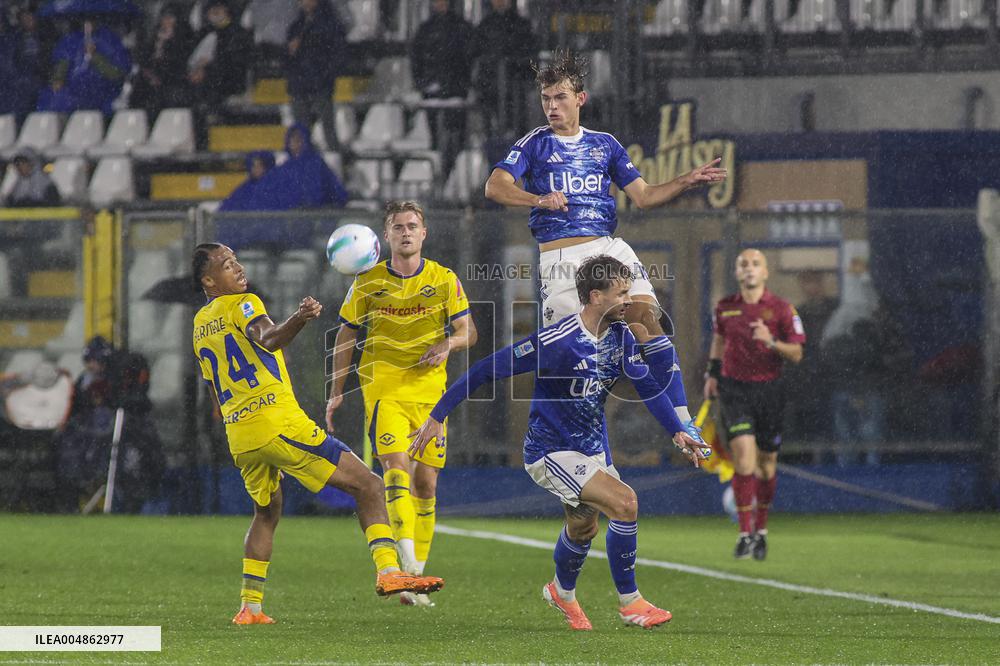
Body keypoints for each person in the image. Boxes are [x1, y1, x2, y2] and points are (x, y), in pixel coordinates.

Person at [410, 255, 707, 630]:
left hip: (592, 448)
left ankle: (561, 592)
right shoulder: (556, 341)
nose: (629, 300)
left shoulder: (622, 337)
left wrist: (677, 430)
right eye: (621, 293)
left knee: (584, 527)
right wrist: (437, 415)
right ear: (596, 296)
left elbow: (647, 385)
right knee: (625, 502)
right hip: (550, 451)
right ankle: (631, 603)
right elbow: (485, 370)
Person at [191, 243, 444, 625]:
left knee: (266, 512)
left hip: (240, 434)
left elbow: (213, 387)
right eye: (227, 265)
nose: (238, 268)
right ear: (209, 281)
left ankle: (250, 608)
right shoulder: (244, 303)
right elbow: (269, 338)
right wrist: (300, 317)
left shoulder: (199, 325)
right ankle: (389, 571)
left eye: (236, 260)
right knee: (370, 486)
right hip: (277, 422)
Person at [484, 49, 727, 442]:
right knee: (576, 360)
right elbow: (495, 187)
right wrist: (538, 199)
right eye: (546, 99)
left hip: (609, 249)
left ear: (580, 99)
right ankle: (568, 447)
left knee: (647, 321)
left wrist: (686, 180)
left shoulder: (605, 145)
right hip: (562, 259)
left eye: (560, 97)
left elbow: (643, 196)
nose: (552, 106)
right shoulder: (534, 144)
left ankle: (684, 422)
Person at [326, 201, 477, 607]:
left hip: (430, 394)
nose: (406, 232)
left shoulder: (443, 278)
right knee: (396, 467)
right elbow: (346, 335)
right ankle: (407, 565)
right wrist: (336, 390)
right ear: (386, 236)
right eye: (398, 227)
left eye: (412, 226)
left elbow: (469, 332)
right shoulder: (367, 281)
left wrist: (449, 343)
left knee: (426, 483)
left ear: (424, 233)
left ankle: (415, 576)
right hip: (384, 388)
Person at [702, 249, 805, 560]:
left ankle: (761, 531)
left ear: (765, 272)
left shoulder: (782, 309)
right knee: (744, 459)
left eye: (755, 264)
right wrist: (712, 374)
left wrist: (770, 341)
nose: (749, 268)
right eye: (743, 264)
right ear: (737, 272)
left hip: (770, 391)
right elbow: (719, 340)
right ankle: (744, 534)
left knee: (766, 465)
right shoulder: (725, 308)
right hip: (735, 390)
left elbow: (797, 353)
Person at [285, 0, 346, 152]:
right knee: (302, 130)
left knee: (328, 129)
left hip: (321, 83)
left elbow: (337, 54)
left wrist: (325, 74)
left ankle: (335, 158)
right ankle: (305, 158)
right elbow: (287, 58)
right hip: (300, 84)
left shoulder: (330, 24)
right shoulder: (296, 26)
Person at [36, 18, 130, 116]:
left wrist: (95, 57)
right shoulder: (71, 41)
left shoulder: (109, 40)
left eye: (91, 21)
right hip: (74, 93)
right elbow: (62, 68)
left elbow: (116, 74)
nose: (88, 25)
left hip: (102, 93)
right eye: (85, 21)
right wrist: (58, 79)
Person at [784, 270, 838, 442]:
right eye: (807, 283)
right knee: (814, 429)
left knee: (835, 425)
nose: (811, 288)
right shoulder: (799, 315)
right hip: (809, 379)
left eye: (815, 282)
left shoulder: (835, 309)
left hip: (833, 375)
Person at [471, 0, 537, 136]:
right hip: (491, 85)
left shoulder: (521, 25)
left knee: (516, 123)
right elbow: (477, 54)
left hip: (515, 85)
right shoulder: (485, 26)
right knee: (492, 125)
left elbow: (529, 54)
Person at [130, 4, 195, 119]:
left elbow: (179, 62)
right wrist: (150, 73)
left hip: (173, 81)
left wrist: (169, 43)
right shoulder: (155, 36)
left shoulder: (185, 37)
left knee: (169, 97)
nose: (167, 21)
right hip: (151, 81)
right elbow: (144, 58)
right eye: (164, 17)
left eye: (171, 18)